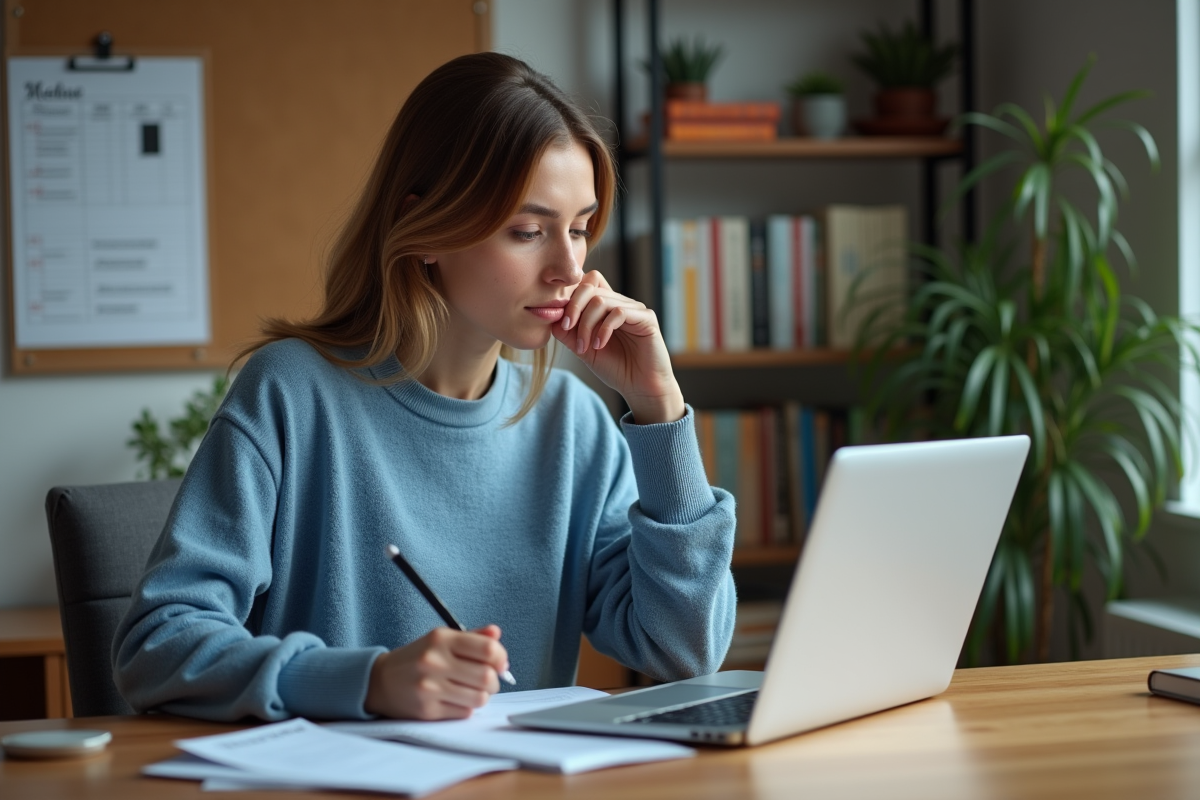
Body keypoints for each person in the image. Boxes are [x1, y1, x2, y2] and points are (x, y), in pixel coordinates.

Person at [112, 52, 736, 723]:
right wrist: (368, 681)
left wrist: (659, 410)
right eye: (528, 231)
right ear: (429, 229)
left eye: (580, 229)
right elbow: (157, 644)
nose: (569, 267)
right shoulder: (290, 395)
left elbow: (684, 649)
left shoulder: (576, 425)